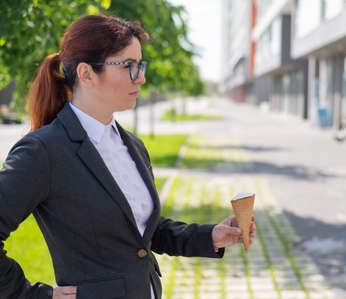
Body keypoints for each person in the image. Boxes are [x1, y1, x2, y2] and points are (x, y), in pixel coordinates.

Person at [0, 15, 255, 299]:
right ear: (86, 74)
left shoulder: (131, 144)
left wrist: (209, 236)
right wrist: (34, 295)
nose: (141, 77)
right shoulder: (43, 151)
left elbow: (145, 231)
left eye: (140, 65)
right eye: (128, 66)